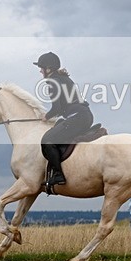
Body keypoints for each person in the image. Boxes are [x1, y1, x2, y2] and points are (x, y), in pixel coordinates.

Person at [34, 52, 93, 189]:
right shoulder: (64, 78)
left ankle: (58, 175)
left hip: (77, 118)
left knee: (47, 140)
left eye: (41, 68)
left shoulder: (52, 82)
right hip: (85, 115)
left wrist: (46, 116)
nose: (40, 71)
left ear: (49, 68)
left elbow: (56, 108)